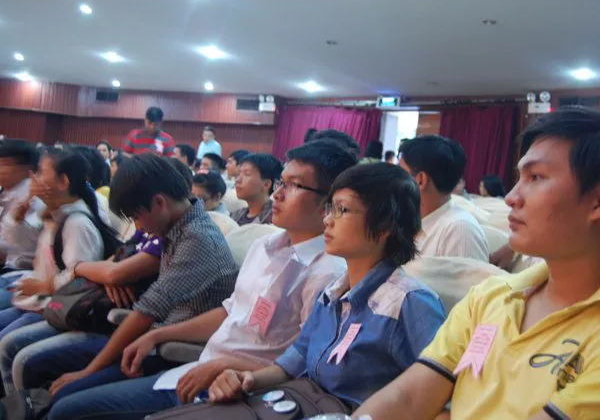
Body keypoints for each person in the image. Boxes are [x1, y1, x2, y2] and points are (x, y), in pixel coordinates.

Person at [353, 107, 600, 420]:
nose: (512, 197)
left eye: (536, 177)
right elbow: (409, 397)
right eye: (519, 178)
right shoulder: (490, 296)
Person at [45, 139, 357, 419]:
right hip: (201, 368)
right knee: (65, 401)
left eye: (294, 185)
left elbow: (308, 368)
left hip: (243, 392)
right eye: (281, 182)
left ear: (330, 202)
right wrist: (159, 335)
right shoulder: (265, 246)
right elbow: (230, 311)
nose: (277, 193)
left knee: (68, 409)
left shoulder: (328, 275)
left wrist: (225, 367)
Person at [208, 163, 446, 410]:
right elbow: (297, 359)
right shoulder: (333, 292)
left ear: (384, 226)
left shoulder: (410, 303)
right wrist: (247, 379)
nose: (328, 220)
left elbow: (438, 394)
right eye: (331, 208)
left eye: (342, 209)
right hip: (305, 405)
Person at [20, 154, 239, 403]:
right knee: (35, 365)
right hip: (149, 338)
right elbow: (119, 269)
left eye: (136, 217)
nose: (138, 227)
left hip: (169, 352)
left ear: (159, 203)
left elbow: (147, 312)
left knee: (65, 399)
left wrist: (87, 372)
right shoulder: (176, 225)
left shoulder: (197, 240)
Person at [0, 150, 117, 394]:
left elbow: (82, 277)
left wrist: (46, 286)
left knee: (8, 345)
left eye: (41, 172)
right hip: (40, 300)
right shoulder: (55, 215)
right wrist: (21, 213)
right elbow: (23, 246)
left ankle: (16, 404)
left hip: (57, 307)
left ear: (63, 181)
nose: (33, 178)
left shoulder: (77, 223)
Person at [398, 136, 489, 261]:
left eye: (400, 173)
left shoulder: (460, 230)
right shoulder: (408, 218)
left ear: (420, 180)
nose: (393, 180)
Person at [0, 141, 40, 310]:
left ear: (27, 169)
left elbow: (23, 246)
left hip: (21, 271)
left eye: (4, 164)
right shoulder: (7, 191)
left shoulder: (32, 197)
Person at [230, 154, 282, 226]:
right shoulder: (235, 215)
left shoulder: (276, 218)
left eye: (246, 174)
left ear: (266, 184)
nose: (237, 180)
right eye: (239, 174)